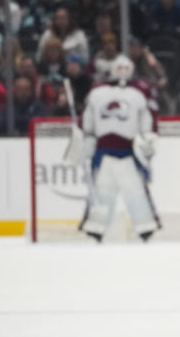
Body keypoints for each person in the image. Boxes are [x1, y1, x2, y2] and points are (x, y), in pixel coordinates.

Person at [68, 55, 161, 242]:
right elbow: (88, 123)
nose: (123, 72)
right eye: (119, 68)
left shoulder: (138, 94)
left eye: (126, 68)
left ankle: (146, 228)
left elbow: (147, 123)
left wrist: (148, 140)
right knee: (102, 192)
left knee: (136, 191)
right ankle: (95, 229)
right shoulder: (97, 93)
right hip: (103, 153)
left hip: (129, 152)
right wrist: (83, 137)